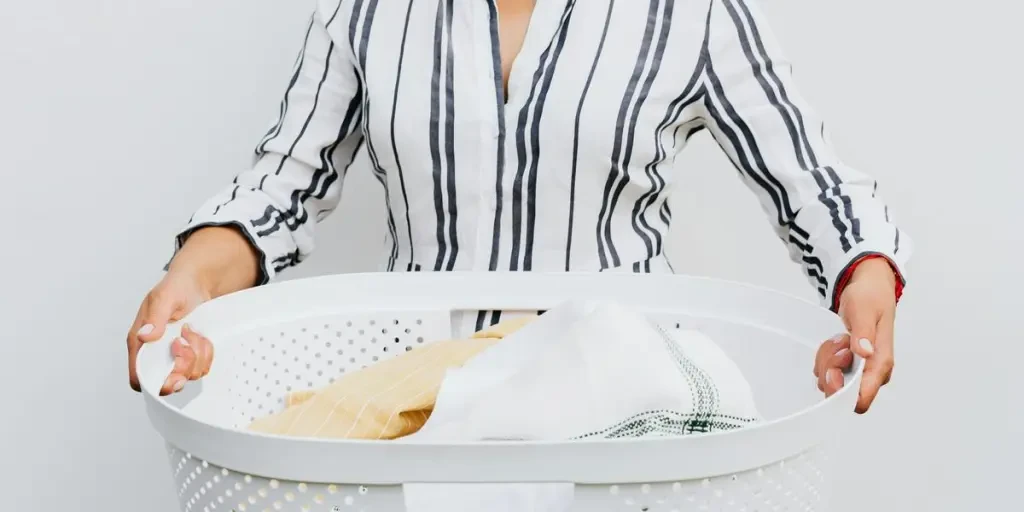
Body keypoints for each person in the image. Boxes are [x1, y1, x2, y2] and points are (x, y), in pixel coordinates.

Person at [126, 0, 910, 414]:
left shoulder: (691, 12)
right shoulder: (365, 10)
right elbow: (283, 183)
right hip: (420, 413)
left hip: (629, 411)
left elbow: (810, 179)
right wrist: (191, 278)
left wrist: (865, 280)